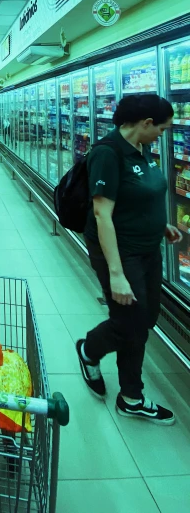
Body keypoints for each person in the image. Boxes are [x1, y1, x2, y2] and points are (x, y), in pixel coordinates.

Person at [76, 94, 182, 424]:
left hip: (148, 247)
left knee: (145, 318)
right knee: (130, 321)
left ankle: (129, 394)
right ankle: (97, 358)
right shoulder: (107, 153)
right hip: (119, 252)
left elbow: (140, 193)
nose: (162, 135)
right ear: (146, 123)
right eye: (162, 129)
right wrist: (116, 273)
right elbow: (102, 214)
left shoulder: (142, 149)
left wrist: (158, 223)